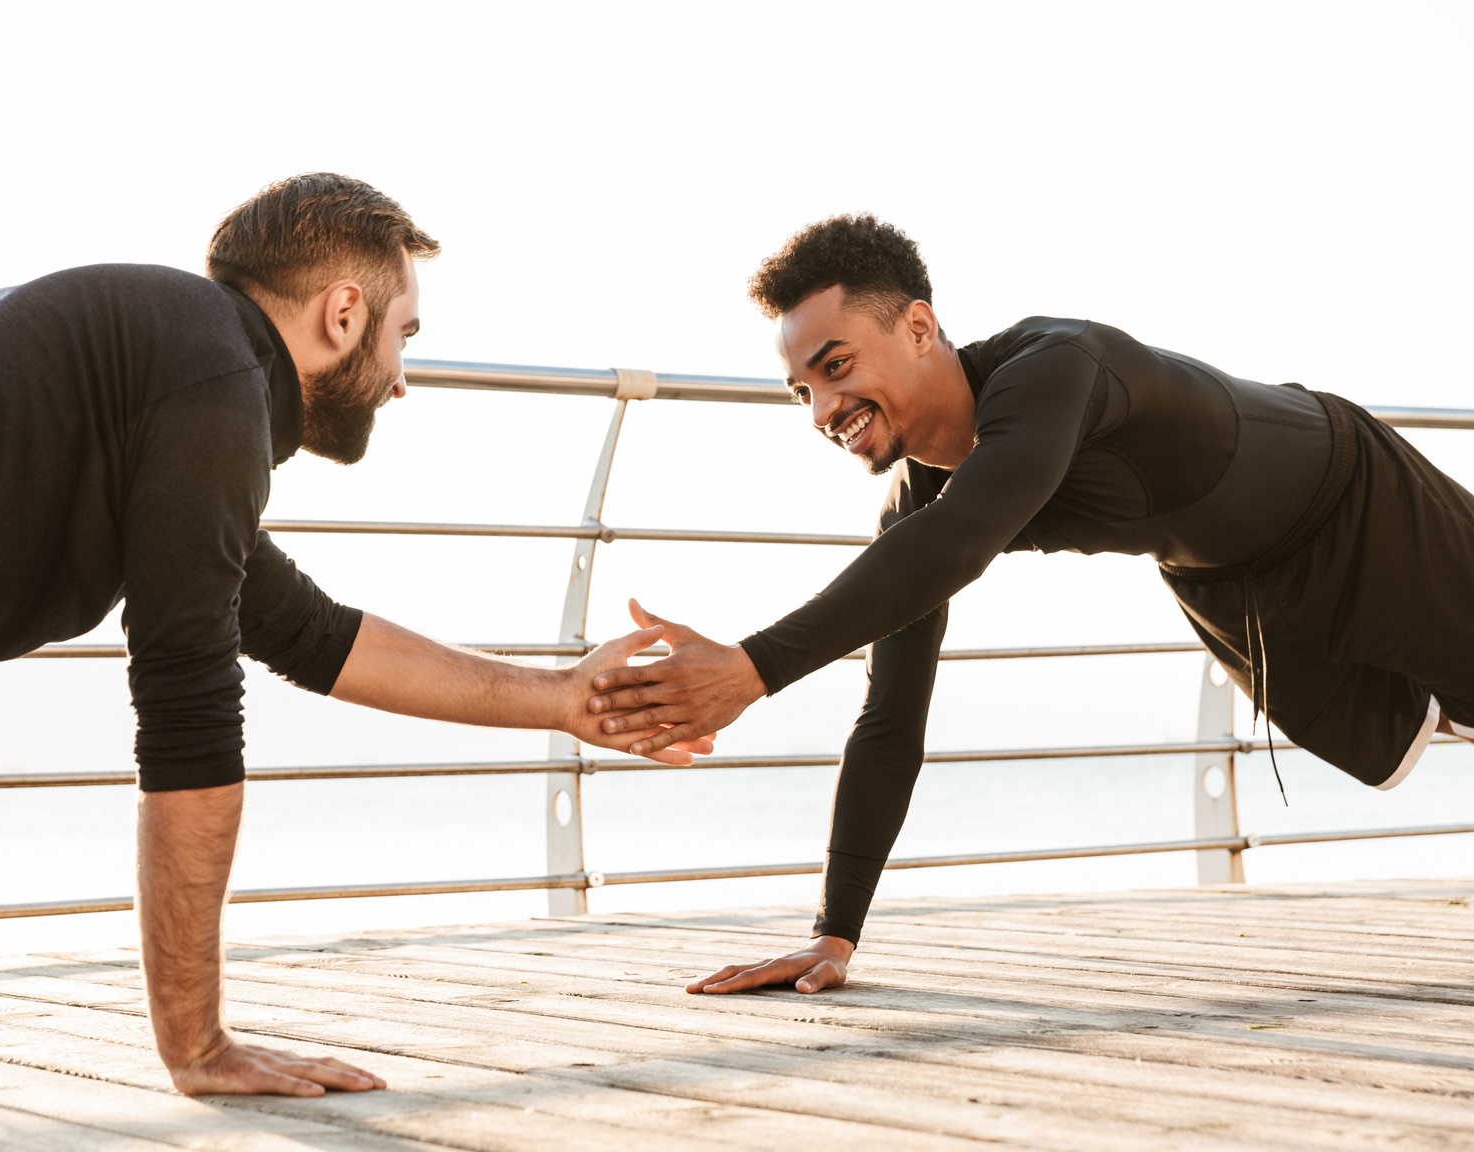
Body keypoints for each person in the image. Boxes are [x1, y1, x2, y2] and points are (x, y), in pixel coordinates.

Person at [0, 172, 711, 1095]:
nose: (402, 379)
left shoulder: (178, 367)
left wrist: (559, 699)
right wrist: (197, 1040)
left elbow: (304, 629)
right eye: (402, 335)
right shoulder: (205, 374)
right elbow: (188, 708)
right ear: (343, 315)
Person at [584, 213, 1474, 996]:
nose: (823, 407)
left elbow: (962, 540)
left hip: (1353, 500)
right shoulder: (916, 509)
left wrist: (753, 667)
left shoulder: (1057, 367)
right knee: (1421, 729)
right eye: (802, 390)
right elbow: (890, 716)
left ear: (921, 328)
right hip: (1227, 584)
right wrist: (834, 930)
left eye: (837, 365)